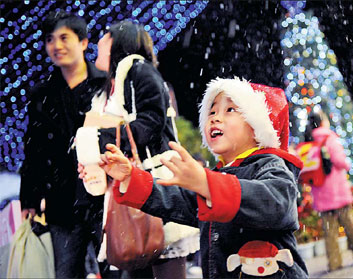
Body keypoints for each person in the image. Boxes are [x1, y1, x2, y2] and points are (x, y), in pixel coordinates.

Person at [79, 77, 309, 278]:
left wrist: (208, 185)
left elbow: (277, 203)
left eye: (230, 110)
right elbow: (176, 198)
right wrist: (131, 178)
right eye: (211, 111)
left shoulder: (271, 165)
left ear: (259, 126)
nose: (215, 118)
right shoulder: (219, 175)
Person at [89, 20, 199, 278]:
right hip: (143, 178)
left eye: (104, 38)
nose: (98, 44)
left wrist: (106, 141)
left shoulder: (136, 69)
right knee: (146, 264)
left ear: (120, 42)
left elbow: (151, 120)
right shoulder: (122, 79)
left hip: (154, 178)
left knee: (163, 264)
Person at [19, 11, 107, 278]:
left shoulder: (105, 84)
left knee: (114, 268)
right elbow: (33, 148)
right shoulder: (41, 94)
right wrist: (30, 198)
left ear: (82, 42)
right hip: (62, 201)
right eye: (50, 39)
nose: (56, 46)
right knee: (65, 272)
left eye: (64, 37)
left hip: (104, 198)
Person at [302, 109, 353, 271]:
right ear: (323, 122)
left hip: (320, 193)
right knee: (350, 225)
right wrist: (347, 165)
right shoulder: (329, 138)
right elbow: (340, 161)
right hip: (337, 191)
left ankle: (334, 262)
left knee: (330, 231)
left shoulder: (308, 141)